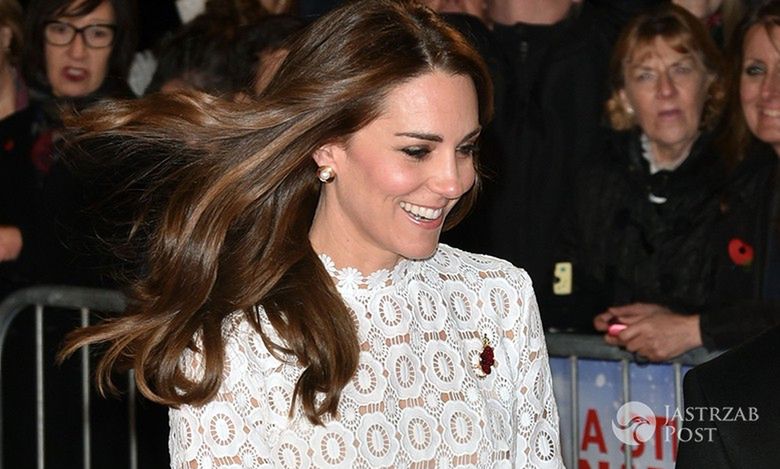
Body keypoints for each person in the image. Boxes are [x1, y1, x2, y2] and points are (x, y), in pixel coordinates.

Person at [59, 1, 564, 466]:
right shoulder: (235, 338)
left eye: (466, 148)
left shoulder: (498, 298)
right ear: (326, 147)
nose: (454, 180)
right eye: (416, 151)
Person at [552, 4, 728, 360]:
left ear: (709, 82)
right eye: (646, 75)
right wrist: (602, 320)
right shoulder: (592, 182)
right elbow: (566, 286)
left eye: (680, 69)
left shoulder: (744, 179)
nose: (666, 90)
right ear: (624, 96)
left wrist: (689, 326)